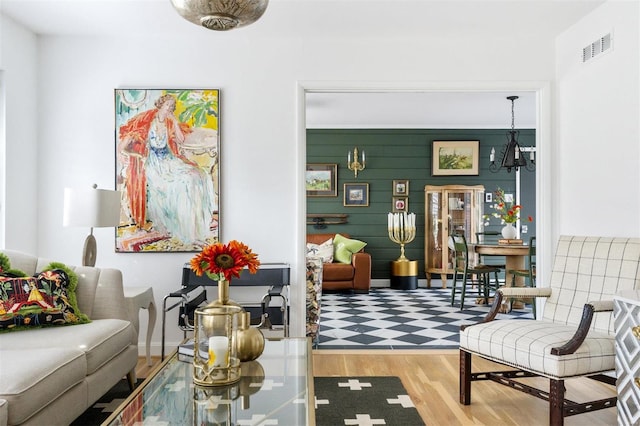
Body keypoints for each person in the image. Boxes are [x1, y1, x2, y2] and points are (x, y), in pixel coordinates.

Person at [118, 94, 216, 246]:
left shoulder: (170, 123)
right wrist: (131, 155)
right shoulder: (145, 120)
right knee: (184, 182)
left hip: (170, 160)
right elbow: (123, 146)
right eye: (167, 106)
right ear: (160, 105)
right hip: (154, 163)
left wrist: (175, 121)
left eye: (171, 107)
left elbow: (181, 140)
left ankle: (195, 229)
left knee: (199, 175)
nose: (169, 109)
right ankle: (187, 233)